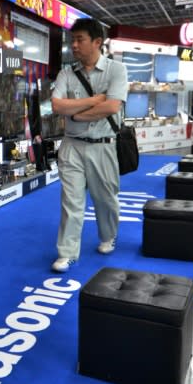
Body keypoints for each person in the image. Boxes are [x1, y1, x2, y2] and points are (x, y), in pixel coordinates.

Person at [50, 18, 128, 273]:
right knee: (71, 201)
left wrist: (77, 113)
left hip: (103, 145)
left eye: (79, 40)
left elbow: (112, 107)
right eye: (72, 40)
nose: (74, 45)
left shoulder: (117, 70)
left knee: (105, 199)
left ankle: (108, 236)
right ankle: (67, 253)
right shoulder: (66, 73)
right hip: (71, 145)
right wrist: (94, 100)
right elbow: (57, 106)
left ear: (97, 42)